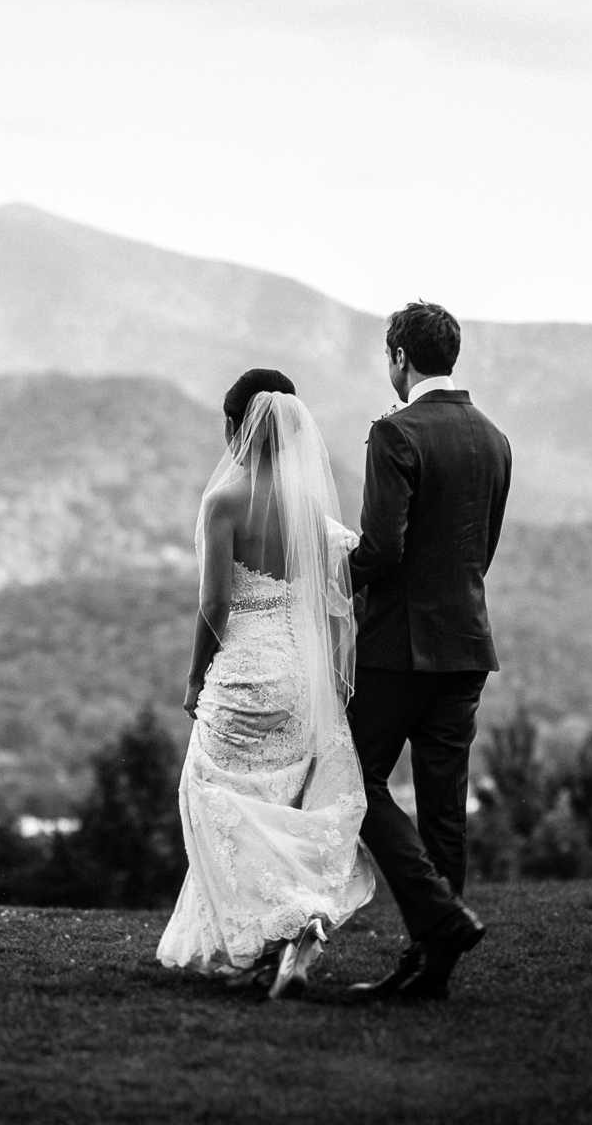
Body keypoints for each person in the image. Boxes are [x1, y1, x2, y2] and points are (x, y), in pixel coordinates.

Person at [156, 369, 376, 1000]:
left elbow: (215, 606)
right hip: (302, 680)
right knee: (276, 809)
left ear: (235, 427)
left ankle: (285, 921)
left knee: (208, 794)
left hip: (247, 671)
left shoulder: (224, 502)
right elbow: (331, 595)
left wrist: (197, 676)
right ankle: (279, 940)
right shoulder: (309, 507)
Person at [345, 301, 512, 1001]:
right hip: (466, 644)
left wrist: (331, 576)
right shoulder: (495, 439)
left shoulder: (395, 435)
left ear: (400, 358)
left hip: (396, 647)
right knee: (444, 807)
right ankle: (431, 969)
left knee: (353, 782)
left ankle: (440, 920)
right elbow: (483, 552)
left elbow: (382, 550)